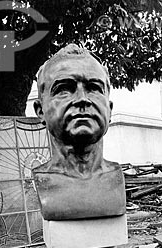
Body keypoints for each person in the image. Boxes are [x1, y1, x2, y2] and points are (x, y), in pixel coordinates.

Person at [32, 44, 126, 221]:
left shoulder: (115, 178)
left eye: (94, 88)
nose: (82, 99)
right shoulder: (44, 181)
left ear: (110, 109)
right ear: (40, 110)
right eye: (64, 89)